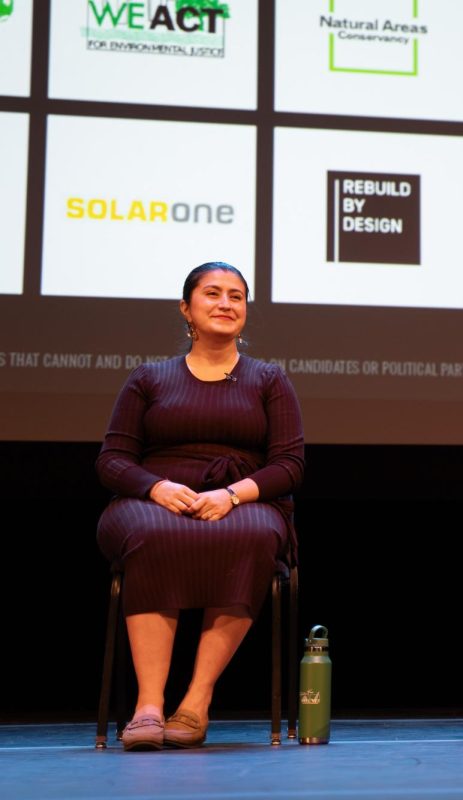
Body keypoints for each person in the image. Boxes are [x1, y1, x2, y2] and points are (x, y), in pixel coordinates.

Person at [96, 262, 304, 751]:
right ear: (186, 308)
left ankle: (195, 700)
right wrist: (156, 488)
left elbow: (289, 465)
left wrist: (231, 495)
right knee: (153, 532)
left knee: (252, 535)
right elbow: (112, 461)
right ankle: (148, 705)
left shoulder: (269, 380)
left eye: (236, 296)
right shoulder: (149, 378)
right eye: (212, 293)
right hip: (156, 500)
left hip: (241, 499)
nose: (226, 304)